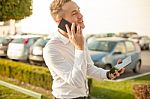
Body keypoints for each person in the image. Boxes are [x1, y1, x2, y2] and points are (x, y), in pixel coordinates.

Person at [43, 0, 125, 99]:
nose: (81, 15)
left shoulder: (80, 39)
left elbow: (88, 68)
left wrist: (109, 74)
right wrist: (79, 48)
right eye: (74, 13)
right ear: (60, 22)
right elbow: (76, 81)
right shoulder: (51, 49)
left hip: (85, 96)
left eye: (79, 11)